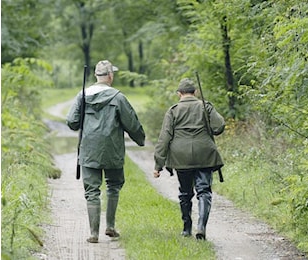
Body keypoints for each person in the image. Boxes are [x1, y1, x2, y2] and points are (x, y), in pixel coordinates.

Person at [66, 60, 146, 243]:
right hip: (112, 150)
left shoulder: (82, 95)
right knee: (113, 185)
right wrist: (140, 140)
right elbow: (132, 123)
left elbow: (72, 122)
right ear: (110, 76)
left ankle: (94, 233)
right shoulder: (118, 97)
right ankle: (110, 226)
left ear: (96, 75)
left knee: (92, 191)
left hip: (89, 150)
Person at [153, 78, 225, 240]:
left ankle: (186, 229)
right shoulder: (205, 106)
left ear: (179, 94)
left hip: (181, 157)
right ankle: (201, 226)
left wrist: (158, 165)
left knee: (185, 193)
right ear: (196, 92)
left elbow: (164, 138)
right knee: (204, 191)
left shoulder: (173, 111)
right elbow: (219, 127)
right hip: (204, 154)